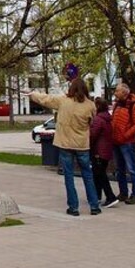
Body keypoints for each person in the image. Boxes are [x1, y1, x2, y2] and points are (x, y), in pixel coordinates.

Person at [26, 62, 100, 216]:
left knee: (69, 176)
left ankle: (73, 208)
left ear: (71, 89)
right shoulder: (91, 105)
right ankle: (94, 206)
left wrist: (32, 94)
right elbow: (92, 122)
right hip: (82, 145)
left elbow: (46, 99)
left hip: (66, 144)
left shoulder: (63, 102)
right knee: (87, 175)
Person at [111, 82, 135, 204]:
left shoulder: (134, 106)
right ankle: (123, 193)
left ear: (124, 92)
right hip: (117, 141)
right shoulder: (117, 105)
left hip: (127, 142)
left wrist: (125, 135)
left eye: (117, 91)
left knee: (132, 169)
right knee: (120, 169)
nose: (115, 93)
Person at [90, 97, 117, 208]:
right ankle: (97, 195)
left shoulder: (97, 119)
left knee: (100, 174)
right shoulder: (107, 118)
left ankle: (110, 196)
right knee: (98, 174)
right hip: (106, 151)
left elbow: (93, 135)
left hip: (98, 151)